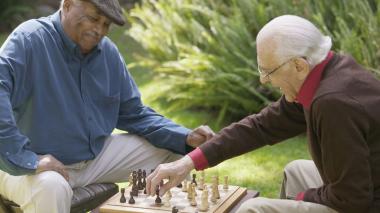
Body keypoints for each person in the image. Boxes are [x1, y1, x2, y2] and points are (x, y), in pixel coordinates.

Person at [146, 15, 380, 213]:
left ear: (299, 65)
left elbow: (352, 200)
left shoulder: (332, 103)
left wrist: (300, 198)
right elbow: (259, 127)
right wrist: (188, 162)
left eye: (269, 71)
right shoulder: (325, 74)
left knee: (253, 209)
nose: (263, 79)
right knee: (296, 170)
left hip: (364, 202)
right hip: (363, 187)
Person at [0, 0, 215, 212]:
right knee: (51, 188)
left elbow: (135, 113)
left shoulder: (108, 53)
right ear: (67, 5)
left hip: (93, 159)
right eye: (93, 19)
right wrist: (28, 159)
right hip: (28, 167)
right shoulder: (29, 39)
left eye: (106, 24)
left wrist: (185, 137)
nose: (99, 30)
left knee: (174, 156)